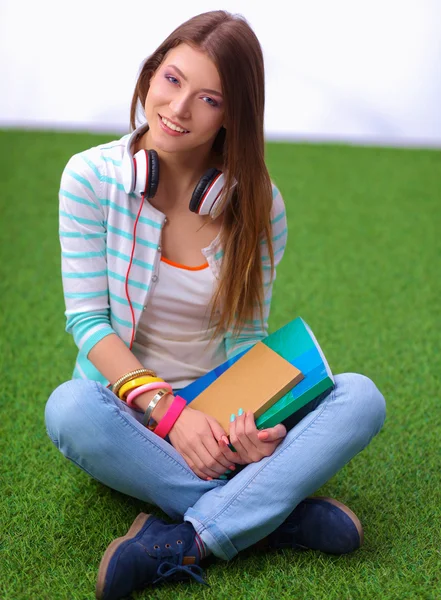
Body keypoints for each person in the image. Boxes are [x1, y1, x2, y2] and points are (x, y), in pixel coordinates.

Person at [44, 9, 386, 600]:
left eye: (209, 99)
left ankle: (189, 538)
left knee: (362, 398)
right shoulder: (88, 180)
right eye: (172, 81)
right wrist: (170, 418)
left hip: (221, 411)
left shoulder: (260, 206)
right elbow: (88, 322)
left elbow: (245, 337)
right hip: (132, 412)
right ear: (151, 74)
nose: (178, 110)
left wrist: (248, 429)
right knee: (68, 409)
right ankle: (274, 516)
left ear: (234, 116)